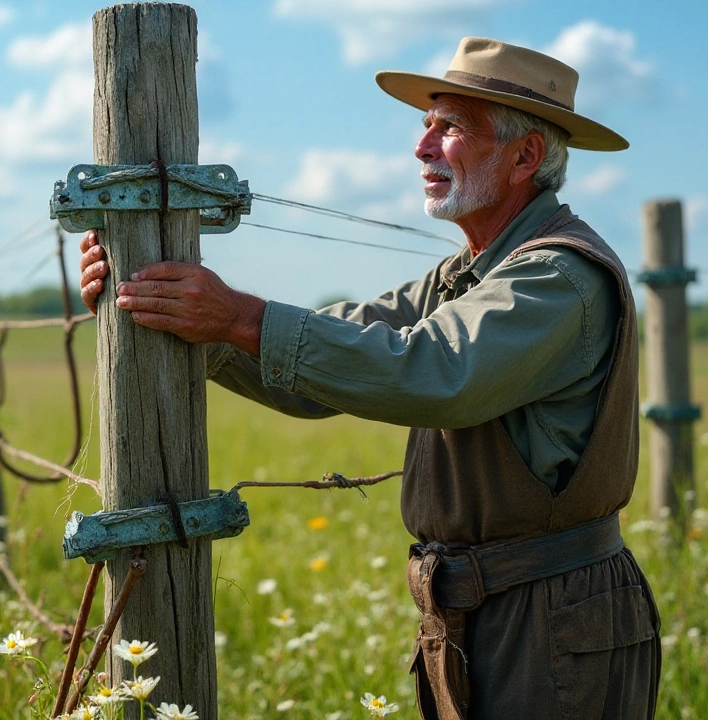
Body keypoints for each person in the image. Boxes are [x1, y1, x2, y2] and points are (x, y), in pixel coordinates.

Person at [78, 37, 660, 720]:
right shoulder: (466, 276)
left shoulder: (557, 277)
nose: (422, 148)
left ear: (525, 156)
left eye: (450, 128)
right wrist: (176, 320)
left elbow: (434, 373)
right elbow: (317, 372)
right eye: (426, 126)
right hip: (480, 612)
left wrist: (237, 316)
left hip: (555, 617)